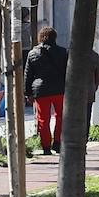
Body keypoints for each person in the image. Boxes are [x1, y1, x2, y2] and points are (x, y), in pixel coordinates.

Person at [24, 26, 68, 155]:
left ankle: (46, 146)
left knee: (43, 118)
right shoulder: (63, 52)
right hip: (59, 89)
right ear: (55, 37)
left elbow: (28, 74)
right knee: (61, 117)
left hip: (40, 90)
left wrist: (28, 93)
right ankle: (58, 143)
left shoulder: (32, 53)